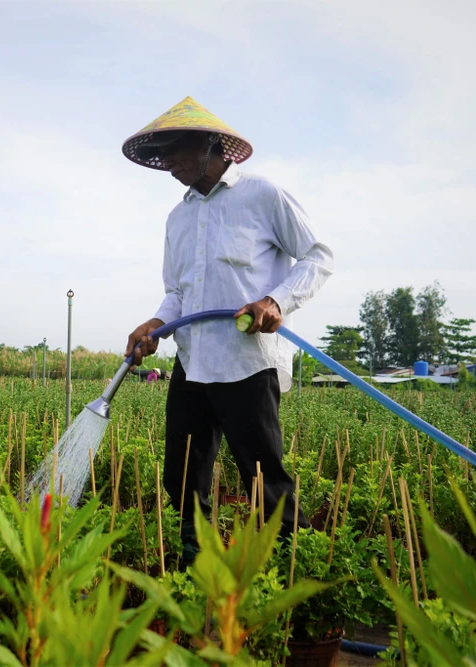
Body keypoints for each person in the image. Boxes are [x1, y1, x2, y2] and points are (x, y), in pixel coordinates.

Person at [121, 97, 334, 568]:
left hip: (247, 362)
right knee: (181, 476)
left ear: (208, 145)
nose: (168, 163)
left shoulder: (262, 197)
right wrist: (157, 324)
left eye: (173, 150)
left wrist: (276, 301)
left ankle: (292, 576)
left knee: (264, 479)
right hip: (193, 362)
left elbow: (319, 256)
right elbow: (177, 292)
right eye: (161, 155)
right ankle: (194, 571)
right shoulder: (177, 218)